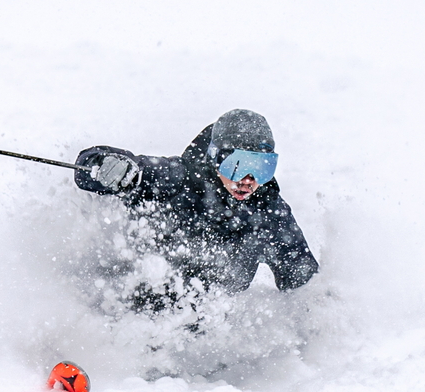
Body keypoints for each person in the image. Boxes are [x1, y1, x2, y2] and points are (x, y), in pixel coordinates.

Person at [73, 109, 319, 308]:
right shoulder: (177, 180)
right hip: (122, 307)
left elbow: (302, 280)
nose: (248, 179)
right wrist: (110, 166)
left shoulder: (268, 214)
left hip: (200, 341)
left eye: (263, 167)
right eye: (237, 165)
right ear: (216, 158)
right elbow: (87, 168)